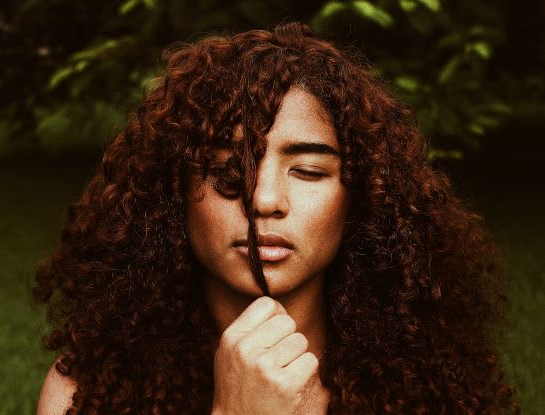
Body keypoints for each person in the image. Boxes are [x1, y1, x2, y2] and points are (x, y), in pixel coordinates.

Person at [34, 22, 518, 414]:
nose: (264, 199)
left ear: (362, 198)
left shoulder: (432, 386)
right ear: (171, 193)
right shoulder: (83, 393)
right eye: (227, 170)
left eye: (308, 171)